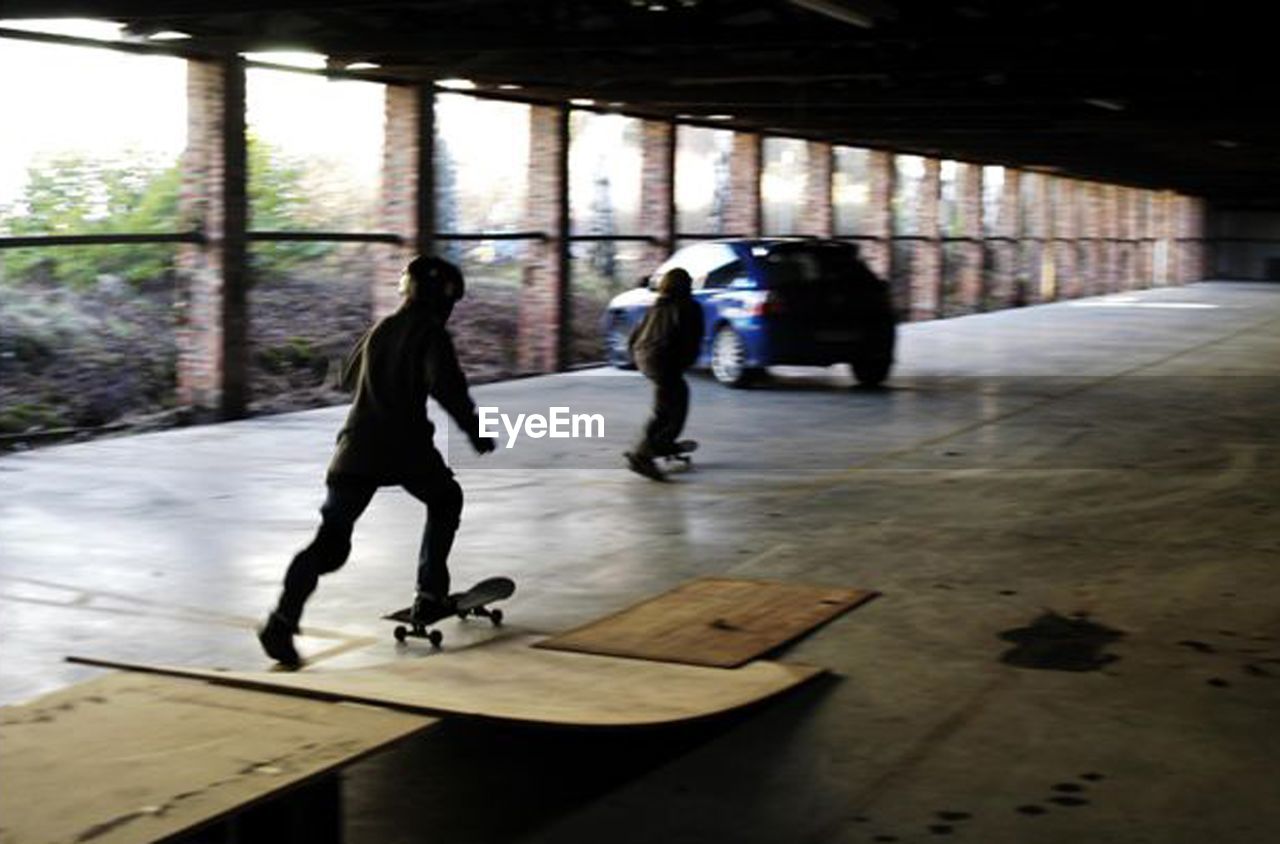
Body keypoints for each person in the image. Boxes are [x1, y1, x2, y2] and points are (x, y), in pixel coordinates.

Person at [258, 255, 496, 668]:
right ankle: (430, 592)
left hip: (354, 449)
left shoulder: (380, 328)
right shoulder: (431, 333)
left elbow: (348, 379)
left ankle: (281, 621)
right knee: (445, 500)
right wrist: (475, 430)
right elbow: (447, 387)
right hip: (405, 448)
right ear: (442, 298)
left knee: (330, 544)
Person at [624, 267, 704, 481]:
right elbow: (691, 340)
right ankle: (643, 454)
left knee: (668, 401)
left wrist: (635, 356)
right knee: (671, 407)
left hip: (644, 356)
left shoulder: (657, 305)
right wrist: (685, 363)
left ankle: (656, 444)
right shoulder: (688, 306)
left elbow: (635, 335)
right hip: (663, 359)